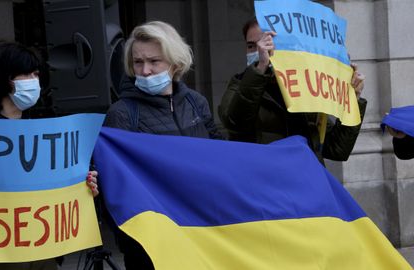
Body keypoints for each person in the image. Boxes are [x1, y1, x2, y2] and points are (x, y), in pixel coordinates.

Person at [0, 40, 99, 270]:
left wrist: (83, 184)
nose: (34, 81)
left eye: (35, 74)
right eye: (26, 75)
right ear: (5, 80)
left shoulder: (43, 133)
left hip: (43, 253)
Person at [103, 21, 223, 269]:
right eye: (138, 62)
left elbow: (221, 155)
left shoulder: (196, 103)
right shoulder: (122, 113)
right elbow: (114, 183)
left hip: (200, 232)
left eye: (154, 61)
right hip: (151, 246)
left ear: (175, 62)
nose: (145, 70)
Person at [218, 17, 368, 163]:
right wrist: (260, 68)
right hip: (266, 181)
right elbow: (235, 122)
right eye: (251, 46)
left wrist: (352, 100)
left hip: (304, 181)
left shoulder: (306, 87)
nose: (260, 50)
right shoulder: (240, 84)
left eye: (267, 42)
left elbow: (337, 149)